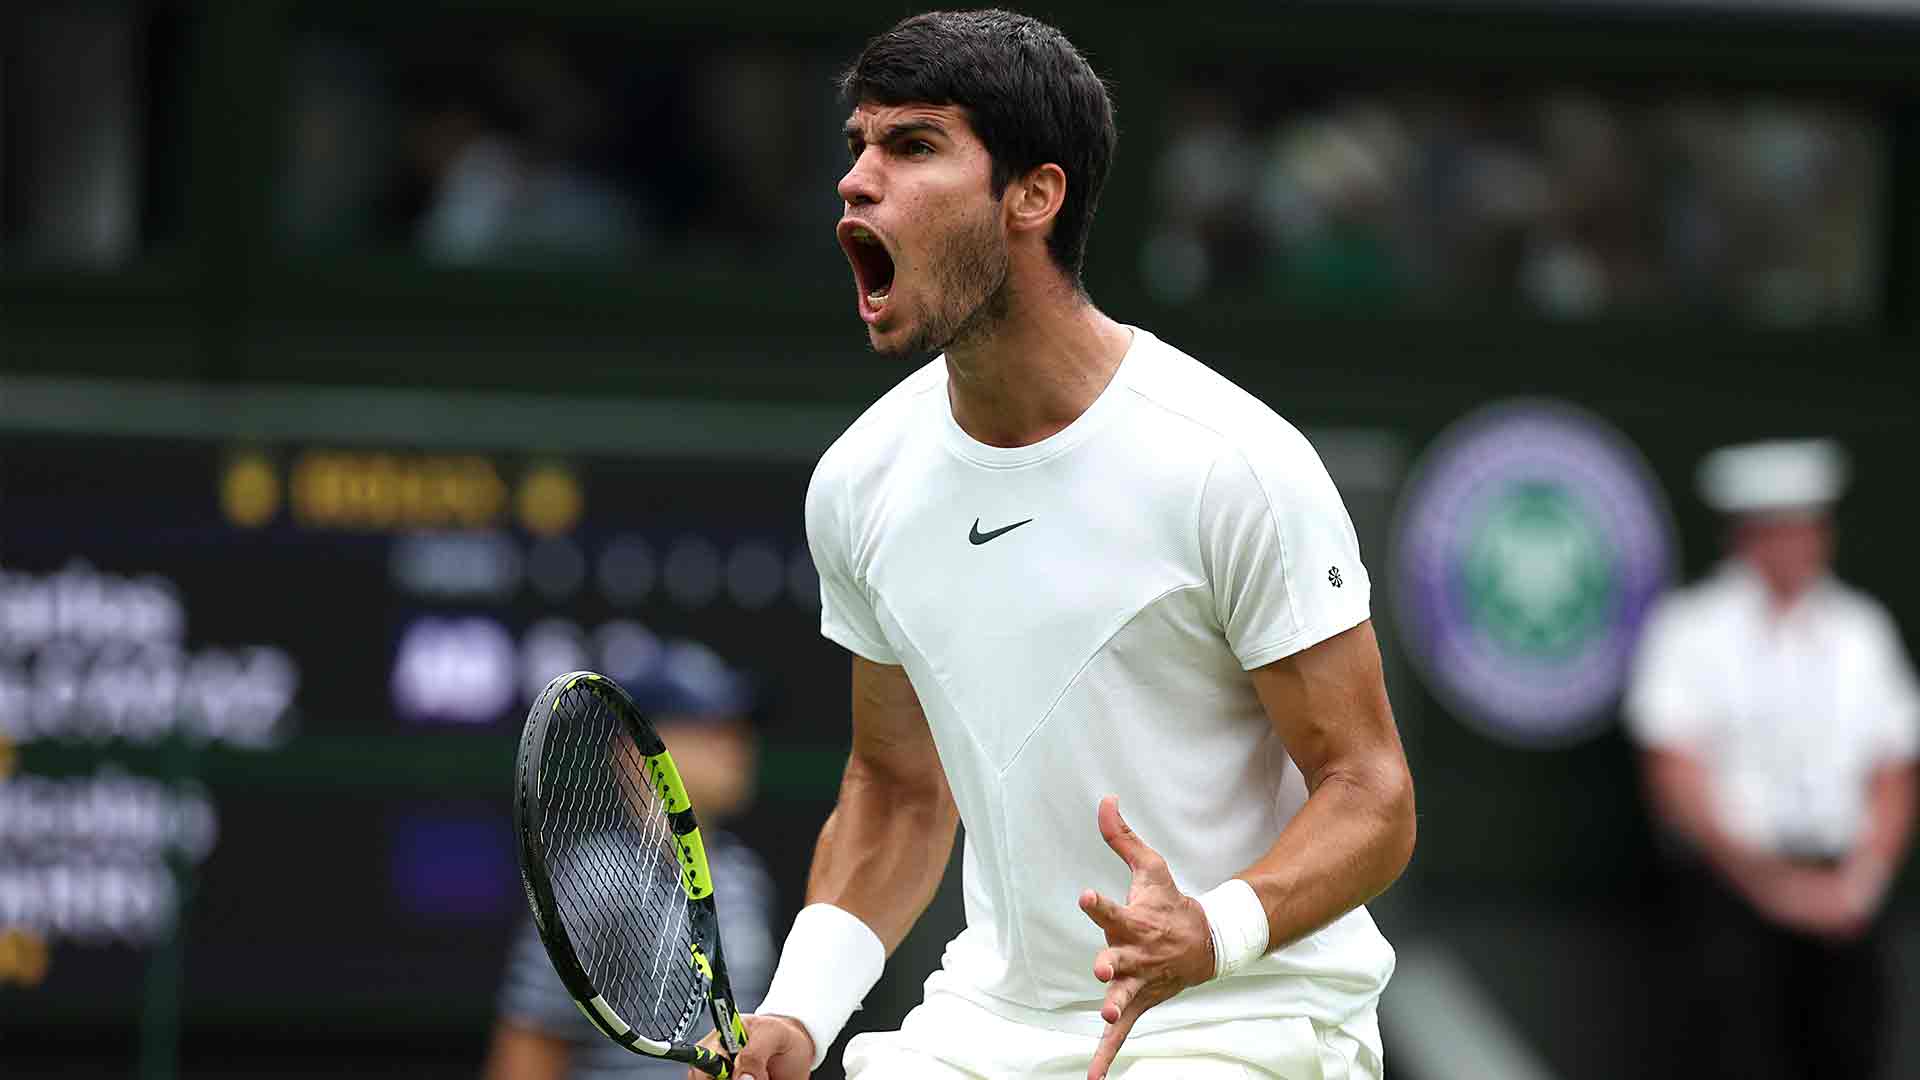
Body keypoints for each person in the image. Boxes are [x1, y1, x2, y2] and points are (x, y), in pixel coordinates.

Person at [696, 12, 1416, 1080]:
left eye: (914, 145)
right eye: (858, 144)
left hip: (1242, 1020)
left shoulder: (1232, 463)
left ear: (1035, 195)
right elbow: (897, 789)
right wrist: (800, 1011)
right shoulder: (861, 483)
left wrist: (1210, 932)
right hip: (992, 1023)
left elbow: (1371, 794)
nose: (857, 179)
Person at [1625, 438, 1919, 1080]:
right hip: (1729, 897)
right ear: (1746, 536)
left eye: (1809, 527)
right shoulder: (1689, 630)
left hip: (1847, 894)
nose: (1798, 544)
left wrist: (1862, 880)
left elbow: (1894, 771)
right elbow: (1676, 777)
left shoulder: (1862, 631)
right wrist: (1769, 885)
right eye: (1779, 530)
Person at [486, 640, 777, 1080]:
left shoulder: (745, 877)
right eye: (708, 726)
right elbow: (525, 1055)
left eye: (737, 727)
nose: (736, 744)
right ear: (638, 750)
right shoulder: (593, 881)